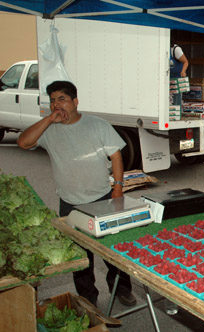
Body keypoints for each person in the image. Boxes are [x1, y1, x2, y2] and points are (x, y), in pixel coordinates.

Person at [17, 81, 136, 307]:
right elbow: (23, 143)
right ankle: (88, 298)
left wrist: (118, 188)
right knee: (80, 258)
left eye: (61, 99)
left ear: (75, 102)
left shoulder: (97, 125)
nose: (56, 104)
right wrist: (49, 120)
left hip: (102, 199)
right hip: (69, 203)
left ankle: (122, 289)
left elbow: (116, 156)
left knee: (112, 250)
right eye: (52, 100)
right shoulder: (48, 129)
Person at [170, 41, 189, 107]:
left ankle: (177, 114)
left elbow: (185, 62)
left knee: (176, 97)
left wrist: (183, 71)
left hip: (177, 76)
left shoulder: (176, 50)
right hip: (168, 77)